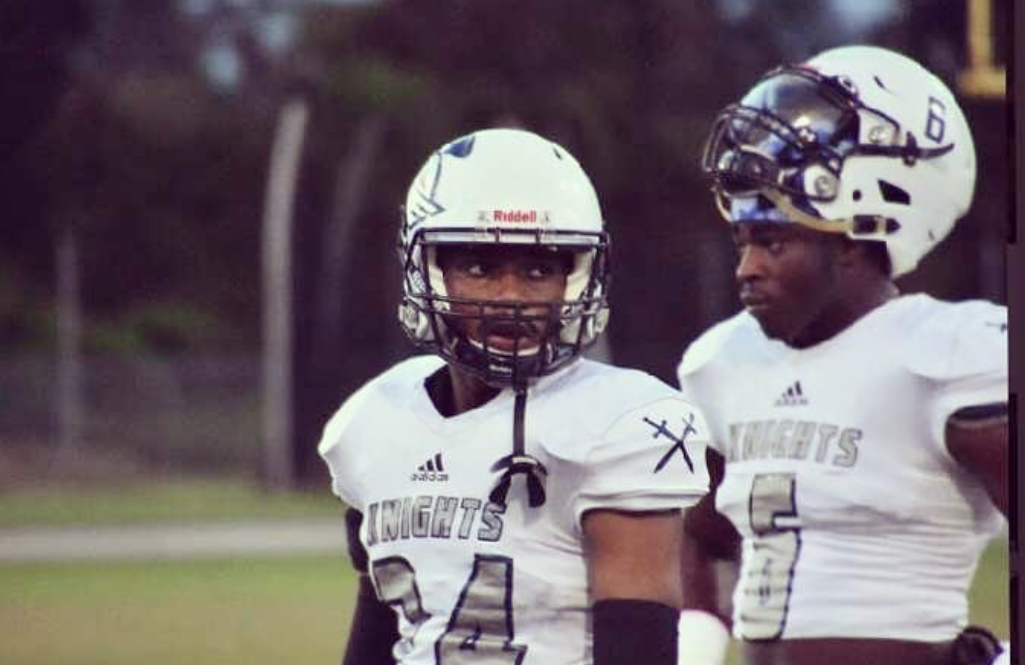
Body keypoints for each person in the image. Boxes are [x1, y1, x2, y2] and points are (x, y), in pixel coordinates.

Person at [318, 127, 714, 665]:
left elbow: (638, 648)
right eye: (479, 267)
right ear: (428, 269)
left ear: (577, 277)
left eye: (539, 269)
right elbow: (378, 633)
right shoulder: (376, 418)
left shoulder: (620, 423)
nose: (511, 297)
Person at [673, 45, 1010, 665]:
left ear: (854, 241)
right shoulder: (722, 362)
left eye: (774, 243)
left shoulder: (945, 356)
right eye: (743, 242)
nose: (747, 269)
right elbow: (702, 540)